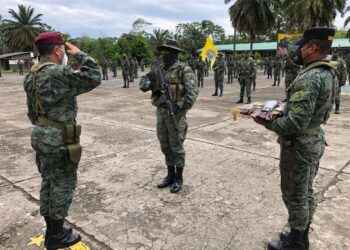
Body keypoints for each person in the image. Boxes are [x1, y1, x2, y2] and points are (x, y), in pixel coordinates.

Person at [253, 27, 337, 250]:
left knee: (294, 195)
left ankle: (297, 243)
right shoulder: (327, 72)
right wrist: (284, 107)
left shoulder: (310, 77)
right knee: (306, 191)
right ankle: (300, 236)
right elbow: (311, 109)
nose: (298, 50)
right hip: (314, 139)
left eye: (302, 46)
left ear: (312, 47)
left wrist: (265, 120)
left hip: (299, 145)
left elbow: (294, 123)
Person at [23, 32, 101, 250]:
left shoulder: (31, 74)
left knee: (49, 182)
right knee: (63, 184)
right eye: (63, 50)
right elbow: (94, 76)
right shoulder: (57, 72)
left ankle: (53, 228)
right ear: (58, 50)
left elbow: (32, 111)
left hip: (41, 134)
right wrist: (79, 54)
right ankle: (56, 235)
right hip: (58, 138)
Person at [139, 40, 198, 193]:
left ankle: (178, 178)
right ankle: (170, 174)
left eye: (168, 51)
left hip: (176, 114)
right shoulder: (158, 69)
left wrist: (179, 106)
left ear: (175, 54)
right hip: (161, 112)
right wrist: (146, 83)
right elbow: (144, 82)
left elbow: (192, 93)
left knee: (176, 146)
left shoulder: (184, 69)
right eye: (164, 51)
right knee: (165, 144)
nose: (165, 54)